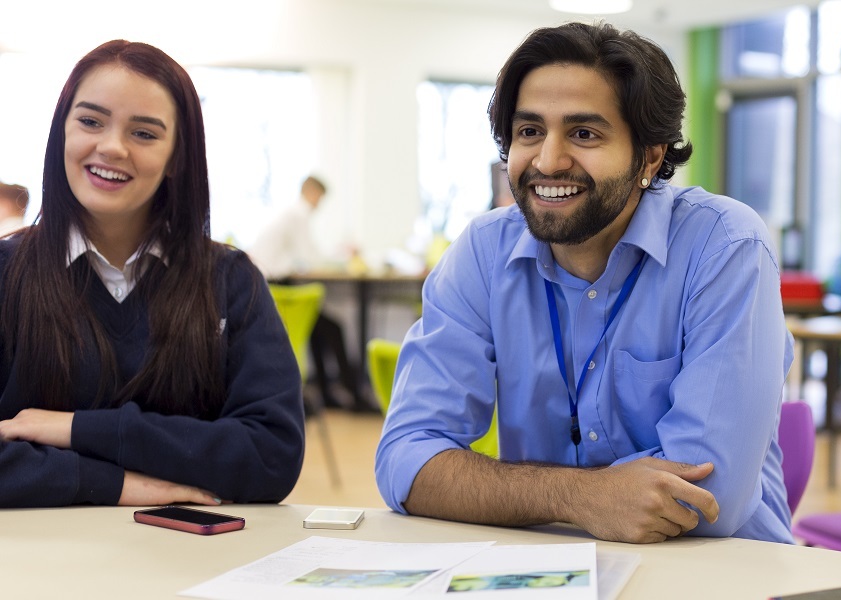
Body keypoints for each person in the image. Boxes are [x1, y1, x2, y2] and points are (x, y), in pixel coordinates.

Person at [375, 22, 794, 544]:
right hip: (553, 570)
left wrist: (505, 490)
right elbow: (405, 461)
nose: (548, 161)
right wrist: (580, 496)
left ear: (651, 155)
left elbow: (713, 498)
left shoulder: (725, 247)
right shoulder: (484, 252)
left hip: (721, 573)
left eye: (584, 133)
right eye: (529, 132)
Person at [0, 40, 305, 508]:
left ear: (176, 158)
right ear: (62, 130)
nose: (112, 147)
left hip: (186, 566)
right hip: (33, 570)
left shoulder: (229, 281)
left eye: (144, 133)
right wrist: (119, 485)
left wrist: (75, 428)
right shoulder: (6, 273)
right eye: (90, 121)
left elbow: (270, 455)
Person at [248, 176, 365, 411]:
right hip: (274, 286)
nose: (319, 203)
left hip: (268, 283)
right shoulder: (298, 215)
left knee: (317, 329)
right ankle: (354, 395)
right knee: (333, 328)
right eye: (320, 197)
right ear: (311, 192)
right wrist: (342, 257)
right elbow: (310, 258)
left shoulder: (290, 215)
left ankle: (326, 393)